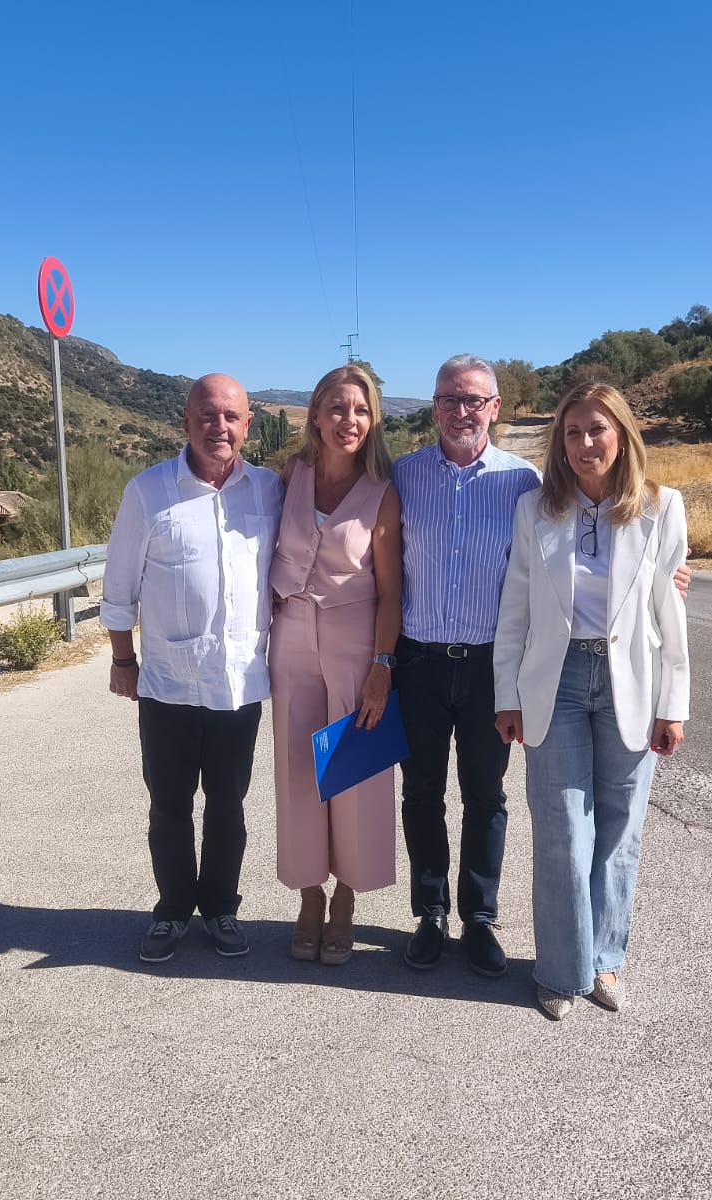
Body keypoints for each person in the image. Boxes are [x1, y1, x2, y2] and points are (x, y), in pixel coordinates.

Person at [492, 380, 691, 1021]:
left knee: (620, 829)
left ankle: (604, 961)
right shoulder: (536, 511)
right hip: (558, 681)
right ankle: (560, 968)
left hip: (633, 680)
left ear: (622, 435)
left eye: (596, 430)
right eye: (572, 433)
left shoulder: (662, 508)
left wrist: (674, 703)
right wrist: (507, 695)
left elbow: (670, 615)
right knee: (562, 832)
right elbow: (515, 610)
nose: (583, 444)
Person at [100, 373, 283, 964]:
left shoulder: (270, 492)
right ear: (186, 422)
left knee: (229, 806)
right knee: (170, 803)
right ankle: (173, 910)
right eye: (207, 415)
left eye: (231, 416)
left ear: (248, 425)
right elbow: (119, 587)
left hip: (239, 681)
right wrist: (122, 658)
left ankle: (222, 909)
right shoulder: (149, 492)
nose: (219, 426)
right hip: (170, 682)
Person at [391, 354, 543, 977]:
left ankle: (479, 919)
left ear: (495, 408)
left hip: (490, 669)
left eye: (475, 400)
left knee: (486, 795)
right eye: (451, 399)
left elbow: (562, 568)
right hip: (418, 663)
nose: (463, 411)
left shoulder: (524, 482)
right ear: (434, 408)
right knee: (421, 792)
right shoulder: (402, 476)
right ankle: (430, 913)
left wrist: (665, 570)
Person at [269, 364, 402, 966]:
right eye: (339, 408)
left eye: (362, 410)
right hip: (290, 641)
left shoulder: (383, 491)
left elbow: (393, 592)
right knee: (299, 772)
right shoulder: (288, 476)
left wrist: (382, 666)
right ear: (315, 415)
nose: (350, 421)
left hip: (356, 643)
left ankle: (347, 896)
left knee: (352, 773)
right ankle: (308, 896)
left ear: (372, 421)